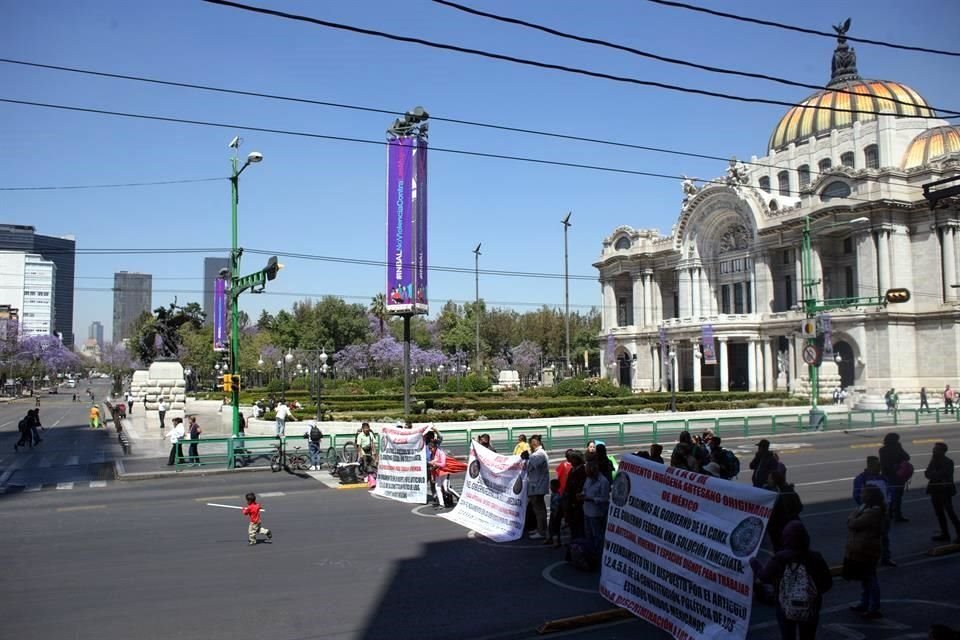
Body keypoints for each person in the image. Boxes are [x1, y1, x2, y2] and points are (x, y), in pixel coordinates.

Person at [750, 520, 832, 639]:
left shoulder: (780, 558)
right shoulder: (815, 557)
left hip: (784, 606)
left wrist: (754, 563)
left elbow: (764, 577)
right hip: (810, 606)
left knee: (788, 636)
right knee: (808, 636)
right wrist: (810, 593)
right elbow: (827, 583)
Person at [843, 486, 885, 619]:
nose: (861, 496)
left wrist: (853, 515)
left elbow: (853, 523)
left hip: (867, 550)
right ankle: (865, 603)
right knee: (866, 579)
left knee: (870, 579)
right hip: (863, 549)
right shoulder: (868, 509)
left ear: (870, 497)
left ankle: (874, 607)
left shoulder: (873, 512)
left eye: (863, 494)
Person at [852, 456, 895, 566]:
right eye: (878, 465)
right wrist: (867, 508)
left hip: (883, 512)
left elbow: (889, 492)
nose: (880, 467)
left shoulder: (883, 478)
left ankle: (886, 558)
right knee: (868, 537)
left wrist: (888, 505)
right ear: (870, 465)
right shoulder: (861, 479)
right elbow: (857, 496)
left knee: (884, 537)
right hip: (870, 513)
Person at [925, 442, 960, 544]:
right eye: (934, 449)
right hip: (935, 490)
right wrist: (934, 474)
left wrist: (934, 474)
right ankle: (945, 533)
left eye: (936, 449)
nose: (934, 450)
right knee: (939, 513)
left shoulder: (948, 462)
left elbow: (942, 475)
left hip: (945, 491)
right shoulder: (933, 461)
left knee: (950, 512)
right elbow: (927, 473)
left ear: (942, 451)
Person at [767, 470, 803, 552]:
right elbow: (799, 507)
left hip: (780, 527)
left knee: (780, 549)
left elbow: (774, 513)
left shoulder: (777, 494)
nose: (767, 480)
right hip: (792, 523)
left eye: (769, 479)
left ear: (774, 480)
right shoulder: (789, 490)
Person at [879, 432, 911, 522]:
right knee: (897, 496)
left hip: (888, 475)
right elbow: (907, 457)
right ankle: (897, 515)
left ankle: (890, 513)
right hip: (897, 475)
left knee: (891, 496)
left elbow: (883, 464)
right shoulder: (897, 448)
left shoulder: (882, 450)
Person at [580, 462, 610, 548]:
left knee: (597, 535)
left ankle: (598, 552)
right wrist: (582, 494)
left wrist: (592, 499)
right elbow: (585, 489)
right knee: (588, 534)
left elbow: (605, 498)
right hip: (586, 510)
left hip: (596, 513)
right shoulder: (588, 479)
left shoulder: (604, 482)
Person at [526, 435, 550, 541]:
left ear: (534, 443)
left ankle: (542, 531)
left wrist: (527, 457)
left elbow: (533, 463)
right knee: (538, 509)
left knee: (539, 509)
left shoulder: (540, 453)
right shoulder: (536, 453)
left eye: (531, 443)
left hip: (538, 485)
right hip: (536, 484)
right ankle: (540, 528)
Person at [562, 450, 587, 540]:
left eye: (572, 459)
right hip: (571, 499)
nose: (570, 461)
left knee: (578, 522)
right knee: (573, 522)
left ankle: (579, 540)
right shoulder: (573, 470)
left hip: (577, 500)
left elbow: (579, 485)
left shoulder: (582, 470)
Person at [427, 440, 453, 508]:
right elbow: (435, 461)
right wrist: (431, 463)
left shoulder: (441, 453)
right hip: (438, 472)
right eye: (429, 449)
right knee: (438, 487)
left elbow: (443, 464)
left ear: (435, 447)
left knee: (446, 489)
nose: (430, 450)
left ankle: (458, 497)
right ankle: (442, 504)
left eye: (431, 448)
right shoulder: (434, 453)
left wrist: (434, 463)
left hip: (444, 471)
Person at [547, 479, 563, 548]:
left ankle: (556, 542)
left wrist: (555, 514)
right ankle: (550, 538)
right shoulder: (554, 494)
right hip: (553, 513)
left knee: (555, 528)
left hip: (555, 514)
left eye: (551, 486)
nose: (550, 487)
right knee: (550, 527)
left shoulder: (557, 496)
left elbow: (557, 507)